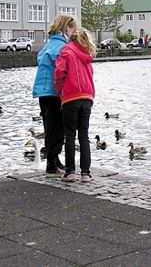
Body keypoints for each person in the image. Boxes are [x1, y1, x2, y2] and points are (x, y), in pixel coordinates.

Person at [32, 14, 77, 177]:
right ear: (67, 28)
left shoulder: (50, 44)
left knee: (49, 126)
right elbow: (64, 69)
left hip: (42, 91)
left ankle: (55, 160)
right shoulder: (62, 47)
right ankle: (51, 165)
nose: (74, 32)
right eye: (73, 28)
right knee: (57, 129)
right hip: (54, 91)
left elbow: (40, 59)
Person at [54, 28, 96, 183]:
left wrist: (59, 90)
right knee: (84, 135)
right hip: (87, 96)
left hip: (71, 97)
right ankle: (86, 173)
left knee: (70, 135)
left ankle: (70, 172)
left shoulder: (67, 51)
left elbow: (60, 72)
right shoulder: (87, 54)